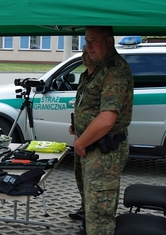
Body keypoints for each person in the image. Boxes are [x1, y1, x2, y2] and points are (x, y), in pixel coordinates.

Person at [73, 26, 133, 235]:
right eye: (86, 40)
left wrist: (80, 142)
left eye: (94, 40)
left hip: (104, 152)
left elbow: (107, 119)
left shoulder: (114, 70)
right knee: (92, 206)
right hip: (93, 148)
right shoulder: (99, 68)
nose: (88, 45)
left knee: (100, 217)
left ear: (109, 41)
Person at [68, 47, 97, 234]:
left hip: (93, 141)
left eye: (88, 53)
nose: (84, 57)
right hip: (81, 135)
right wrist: (76, 126)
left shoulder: (103, 77)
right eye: (83, 54)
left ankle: (90, 221)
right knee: (80, 178)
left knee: (92, 183)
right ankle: (84, 210)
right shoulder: (84, 76)